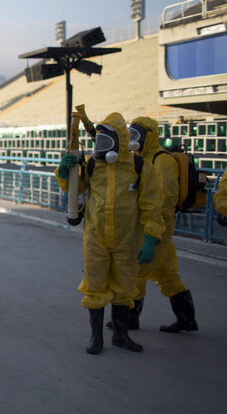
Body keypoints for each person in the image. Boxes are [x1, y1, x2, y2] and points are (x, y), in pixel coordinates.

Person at [56, 112, 164, 355]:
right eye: (99, 141)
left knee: (124, 286)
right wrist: (64, 173)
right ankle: (96, 338)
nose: (101, 147)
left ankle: (120, 335)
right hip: (96, 237)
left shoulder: (140, 167)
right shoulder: (94, 165)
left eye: (107, 141)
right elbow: (75, 187)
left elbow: (151, 204)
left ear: (121, 141)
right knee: (94, 285)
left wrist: (151, 236)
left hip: (127, 239)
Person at [126, 116, 198, 333]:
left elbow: (166, 199)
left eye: (136, 135)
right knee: (167, 273)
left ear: (149, 136)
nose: (133, 140)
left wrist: (152, 232)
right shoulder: (141, 158)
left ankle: (129, 318)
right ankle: (187, 319)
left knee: (137, 271)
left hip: (156, 229)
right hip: (153, 227)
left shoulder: (162, 160)